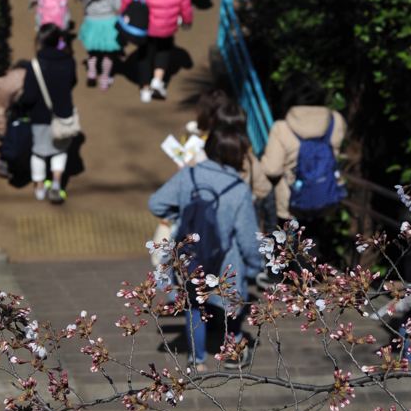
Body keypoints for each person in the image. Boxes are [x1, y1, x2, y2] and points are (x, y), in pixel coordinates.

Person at [148, 126, 264, 371]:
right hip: (226, 259)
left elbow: (156, 203)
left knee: (194, 305)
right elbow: (247, 237)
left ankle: (196, 360)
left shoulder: (187, 176)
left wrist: (179, 212)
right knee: (231, 305)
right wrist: (256, 266)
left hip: (190, 255)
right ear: (236, 156)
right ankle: (234, 354)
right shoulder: (238, 188)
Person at [259, 73, 347, 224]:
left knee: (290, 246)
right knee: (314, 242)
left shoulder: (282, 127)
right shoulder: (336, 120)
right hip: (324, 198)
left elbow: (272, 169)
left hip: (292, 204)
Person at [120, 0, 192, 103]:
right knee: (164, 50)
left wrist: (123, 15)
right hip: (167, 24)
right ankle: (158, 80)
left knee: (144, 55)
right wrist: (187, 20)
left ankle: (145, 90)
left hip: (144, 25)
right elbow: (185, 3)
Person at [20, 23, 77, 204]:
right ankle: (56, 183)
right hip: (63, 115)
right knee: (60, 148)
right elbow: (72, 83)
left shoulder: (34, 65)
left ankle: (38, 189)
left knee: (39, 152)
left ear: (40, 41)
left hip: (39, 116)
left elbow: (28, 96)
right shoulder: (69, 61)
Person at [77, 0, 122, 90]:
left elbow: (85, 2)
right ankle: (105, 79)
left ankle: (91, 73)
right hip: (109, 23)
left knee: (92, 51)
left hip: (91, 22)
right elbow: (118, 5)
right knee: (108, 54)